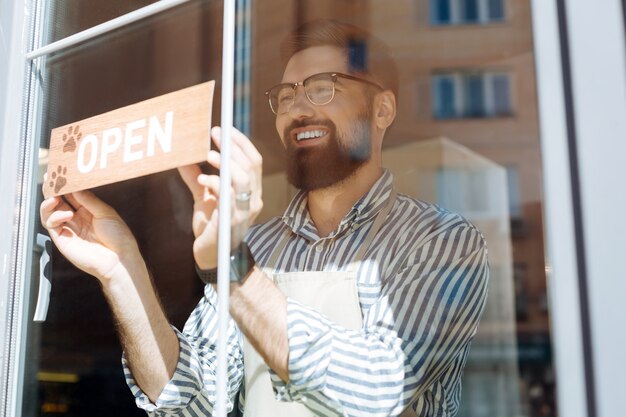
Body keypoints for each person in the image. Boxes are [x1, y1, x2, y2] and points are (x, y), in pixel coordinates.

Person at [40, 20, 489, 417]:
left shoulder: (441, 241)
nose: (298, 108)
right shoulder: (260, 245)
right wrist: (122, 268)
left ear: (382, 109)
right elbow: (189, 401)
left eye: (322, 87)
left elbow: (375, 393)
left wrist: (232, 268)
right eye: (287, 94)